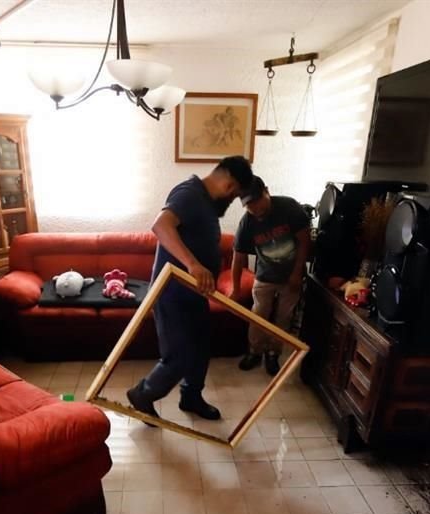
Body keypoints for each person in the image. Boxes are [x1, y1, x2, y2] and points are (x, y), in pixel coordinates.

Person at [127, 156, 254, 423]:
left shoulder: (204, 202)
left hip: (194, 293)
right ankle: (143, 394)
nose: (230, 200)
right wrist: (193, 265)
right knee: (180, 356)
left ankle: (191, 397)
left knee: (199, 349)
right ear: (229, 184)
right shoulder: (190, 193)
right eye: (233, 196)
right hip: (173, 293)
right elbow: (161, 225)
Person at [231, 176, 311, 375]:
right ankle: (255, 351)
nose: (255, 208)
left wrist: (296, 273)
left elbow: (304, 241)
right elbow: (238, 257)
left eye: (258, 202)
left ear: (267, 191)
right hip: (265, 275)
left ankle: (273, 354)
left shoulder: (289, 207)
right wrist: (235, 288)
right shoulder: (247, 222)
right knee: (258, 314)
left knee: (284, 317)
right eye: (249, 206)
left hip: (291, 275)